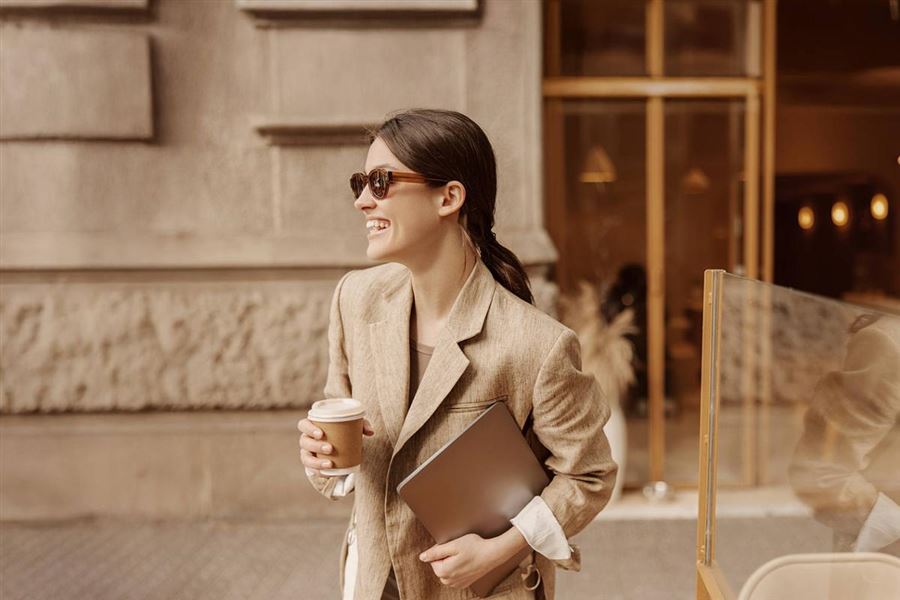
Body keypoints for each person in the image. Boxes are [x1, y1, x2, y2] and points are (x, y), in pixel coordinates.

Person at [297, 109, 617, 600]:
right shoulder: (354, 301)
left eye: (381, 181)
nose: (363, 200)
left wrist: (504, 547)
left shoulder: (536, 344)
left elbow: (589, 474)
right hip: (372, 582)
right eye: (360, 182)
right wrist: (324, 457)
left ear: (449, 197)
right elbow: (343, 434)